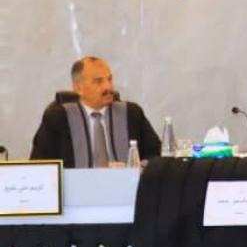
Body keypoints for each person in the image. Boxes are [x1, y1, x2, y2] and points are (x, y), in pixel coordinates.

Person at [28, 56, 161, 167]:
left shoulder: (131, 114)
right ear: (78, 88)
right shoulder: (58, 118)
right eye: (98, 81)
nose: (108, 87)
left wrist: (136, 167)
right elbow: (40, 165)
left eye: (109, 79)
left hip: (126, 187)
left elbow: (156, 156)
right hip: (76, 189)